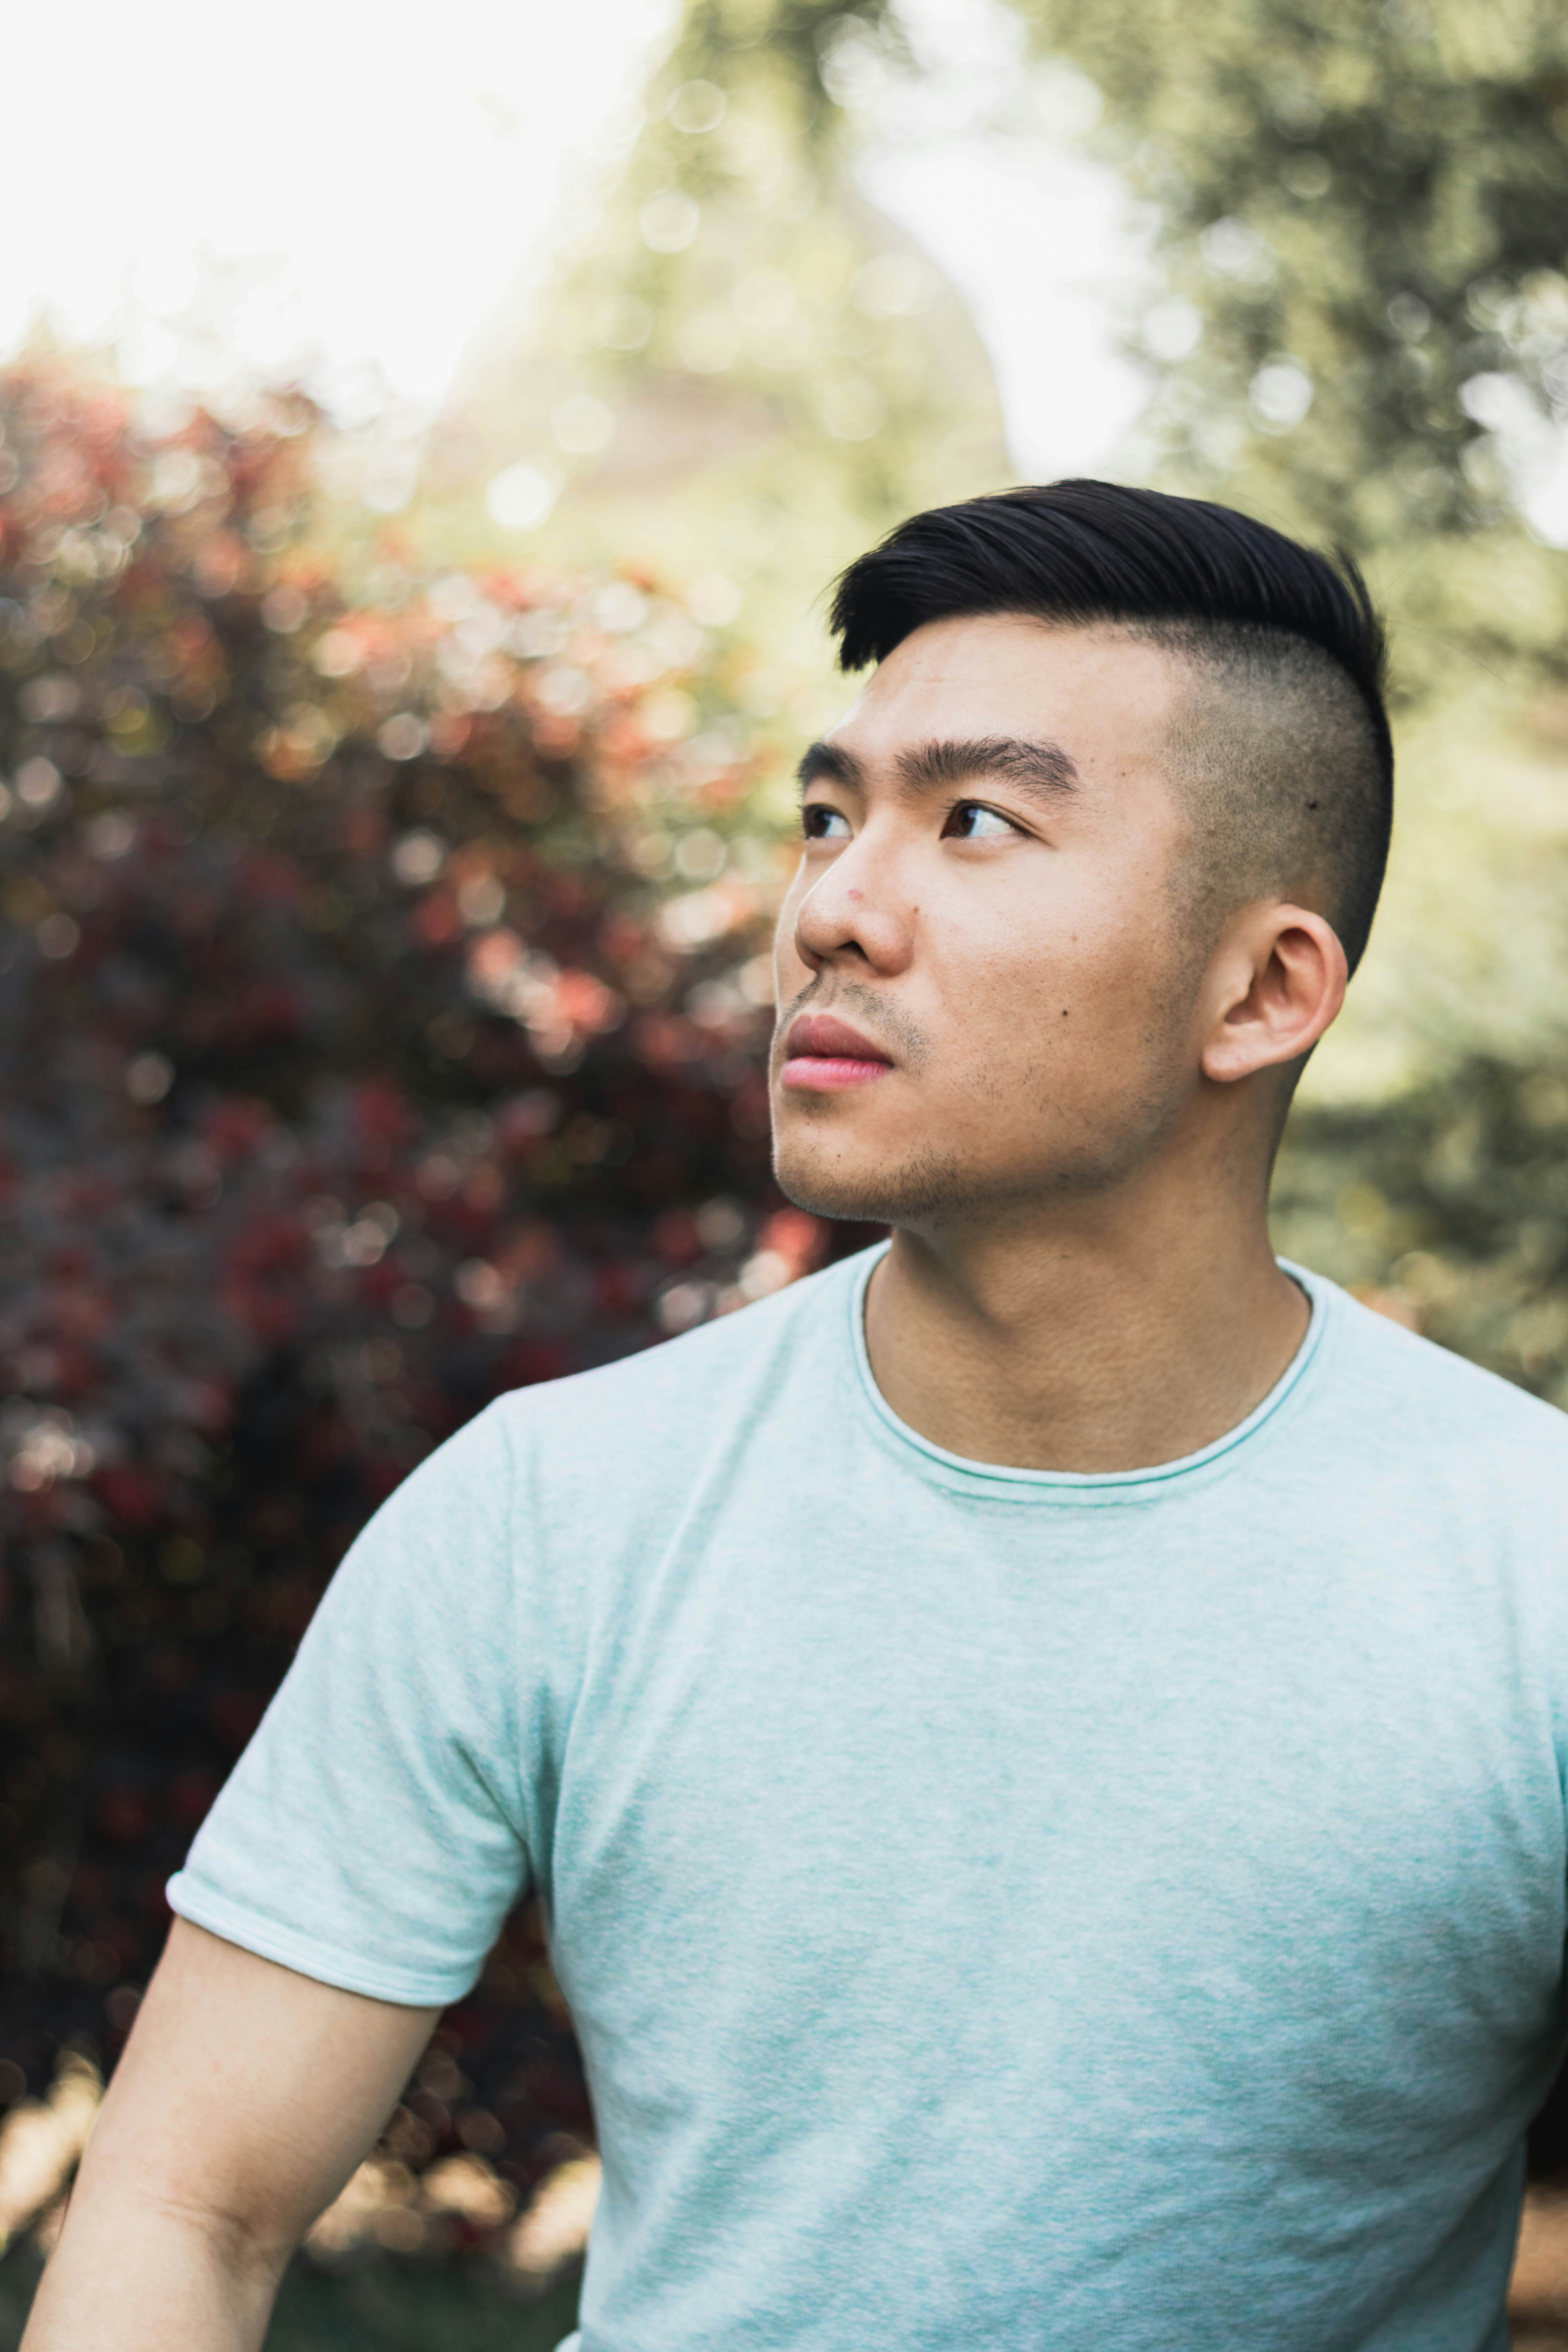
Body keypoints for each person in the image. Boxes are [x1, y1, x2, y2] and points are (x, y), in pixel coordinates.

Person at [25, 481, 1568, 2352]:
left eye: (973, 823)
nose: (832, 908)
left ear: (1260, 989)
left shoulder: (1525, 1577)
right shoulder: (549, 1515)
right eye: (828, 816)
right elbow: (189, 2202)